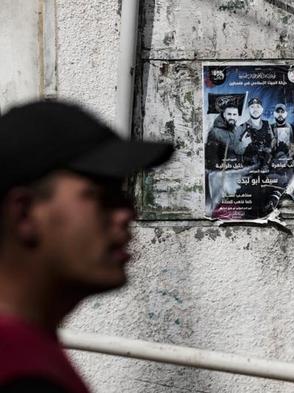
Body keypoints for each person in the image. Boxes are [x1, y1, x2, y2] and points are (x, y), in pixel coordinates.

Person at [0, 101, 173, 392]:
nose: (127, 214)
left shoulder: (30, 350)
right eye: (101, 196)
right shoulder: (21, 373)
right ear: (25, 214)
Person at [205, 102, 249, 169]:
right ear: (224, 115)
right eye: (229, 114)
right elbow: (211, 158)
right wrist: (243, 144)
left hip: (238, 170)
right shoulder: (214, 132)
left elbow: (242, 153)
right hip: (223, 173)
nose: (232, 117)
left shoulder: (239, 130)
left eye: (234, 114)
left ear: (237, 116)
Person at [239, 97, 275, 169]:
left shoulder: (267, 124)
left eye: (258, 107)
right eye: (252, 107)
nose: (255, 109)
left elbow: (273, 140)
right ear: (248, 110)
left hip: (267, 164)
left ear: (262, 110)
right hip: (249, 166)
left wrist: (270, 148)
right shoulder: (242, 127)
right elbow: (238, 149)